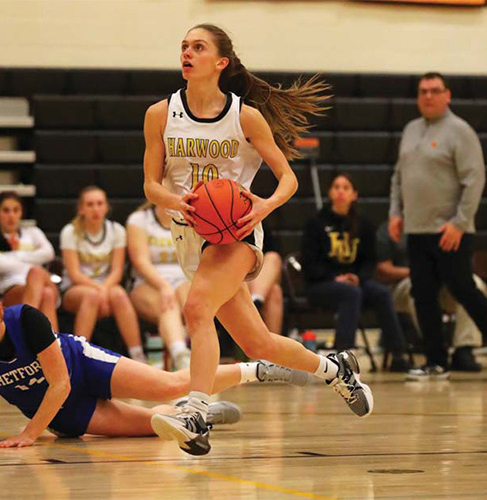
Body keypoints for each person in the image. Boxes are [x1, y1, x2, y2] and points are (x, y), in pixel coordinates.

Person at [141, 23, 373, 456]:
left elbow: (287, 179)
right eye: (184, 47)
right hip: (189, 233)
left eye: (198, 47)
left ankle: (195, 412)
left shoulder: (244, 116)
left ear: (221, 62)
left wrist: (262, 207)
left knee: (195, 307)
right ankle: (335, 368)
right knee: (258, 343)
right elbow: (150, 186)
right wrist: (177, 199)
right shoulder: (160, 114)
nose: (187, 53)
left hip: (236, 233)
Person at [0, 285, 307, 448]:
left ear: (0, 311)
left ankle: (257, 370)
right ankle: (198, 413)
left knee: (171, 384)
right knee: (157, 427)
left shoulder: (27, 319)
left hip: (83, 367)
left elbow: (60, 383)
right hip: (62, 414)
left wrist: (29, 434)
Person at [388, 72, 487, 381]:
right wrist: (395, 213)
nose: (428, 96)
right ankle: (436, 361)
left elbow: (474, 180)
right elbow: (398, 177)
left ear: (447, 95)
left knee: (464, 290)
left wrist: (459, 223)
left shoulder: (460, 131)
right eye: (423, 91)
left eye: (435, 90)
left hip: (450, 233)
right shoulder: (411, 130)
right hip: (416, 230)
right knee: (423, 295)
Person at [301, 172, 412, 373]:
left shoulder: (364, 225)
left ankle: (397, 353)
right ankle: (343, 357)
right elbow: (309, 263)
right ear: (330, 193)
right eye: (336, 187)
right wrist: (335, 278)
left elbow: (370, 262)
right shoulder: (315, 223)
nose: (341, 191)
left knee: (381, 293)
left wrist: (358, 277)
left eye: (346, 188)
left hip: (354, 284)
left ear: (354, 195)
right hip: (321, 285)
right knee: (351, 293)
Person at [374, 223, 487, 372]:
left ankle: (464, 348)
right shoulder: (389, 228)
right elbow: (383, 269)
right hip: (402, 284)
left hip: (443, 281)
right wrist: (419, 272)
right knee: (418, 287)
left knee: (476, 284)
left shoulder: (443, 226)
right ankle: (434, 349)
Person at [59, 186, 145, 362]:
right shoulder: (70, 232)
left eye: (99, 204)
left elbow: (117, 271)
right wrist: (100, 291)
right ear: (81, 209)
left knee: (120, 295)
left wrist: (104, 290)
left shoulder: (116, 230)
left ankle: (138, 355)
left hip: (108, 286)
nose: (95, 209)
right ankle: (78, 358)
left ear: (106, 207)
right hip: (76, 288)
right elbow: (74, 274)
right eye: (90, 204)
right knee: (91, 296)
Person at [0, 191, 59, 331]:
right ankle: (57, 346)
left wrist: (15, 254)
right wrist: (31, 257)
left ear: (21, 213)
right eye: (6, 211)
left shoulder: (33, 232)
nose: (11, 216)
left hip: (39, 281)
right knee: (46, 292)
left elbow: (49, 253)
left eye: (16, 210)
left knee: (37, 274)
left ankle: (27, 334)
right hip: (9, 289)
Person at [126, 202, 192, 371]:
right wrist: (164, 286)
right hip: (147, 282)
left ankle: (202, 358)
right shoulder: (139, 219)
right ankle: (181, 356)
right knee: (168, 306)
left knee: (195, 306)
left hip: (183, 279)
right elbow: (140, 260)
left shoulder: (189, 217)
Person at [248, 233, 284, 335]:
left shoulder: (258, 222)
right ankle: (256, 300)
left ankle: (256, 299)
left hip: (257, 278)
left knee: (275, 291)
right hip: (235, 277)